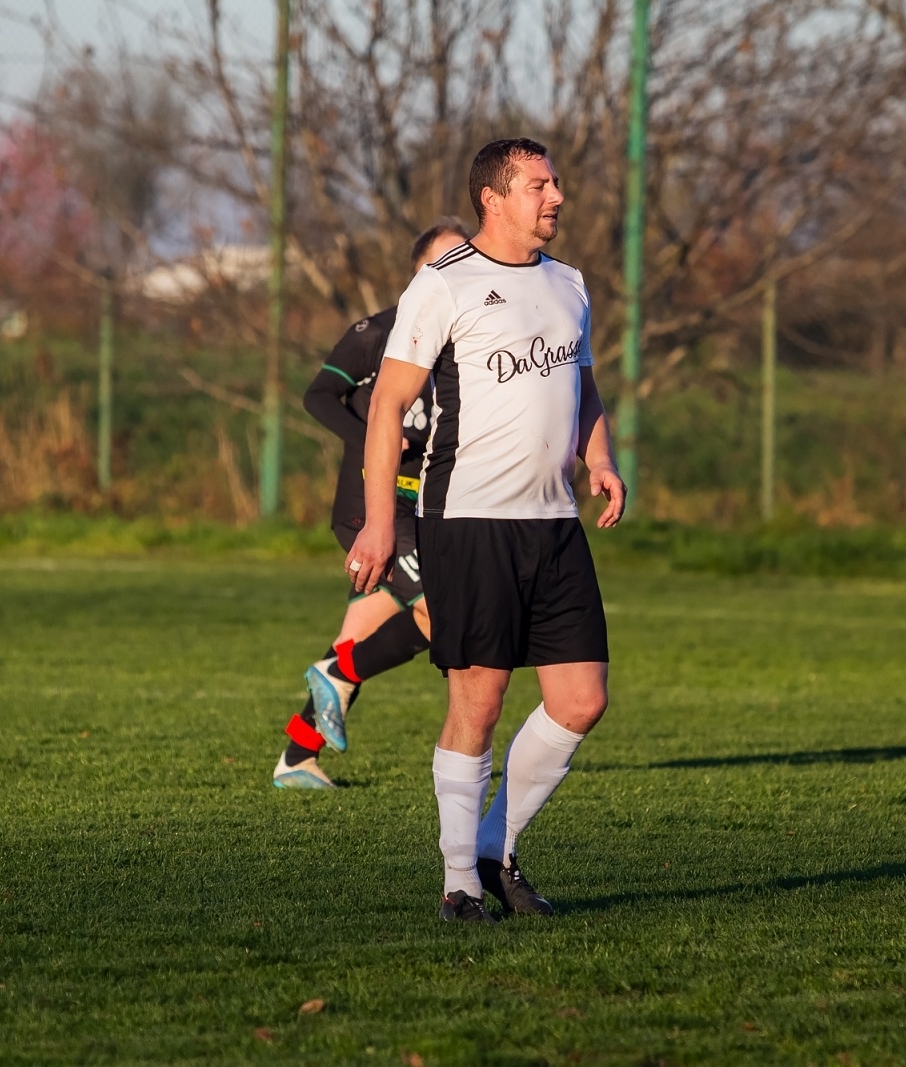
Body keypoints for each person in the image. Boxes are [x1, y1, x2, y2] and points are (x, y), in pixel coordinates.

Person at [345, 137, 627, 923]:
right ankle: (459, 880)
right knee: (480, 701)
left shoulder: (569, 284)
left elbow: (584, 382)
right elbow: (387, 407)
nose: (557, 196)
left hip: (554, 523)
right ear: (492, 198)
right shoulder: (443, 285)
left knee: (581, 698)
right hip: (466, 520)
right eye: (539, 184)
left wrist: (599, 457)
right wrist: (376, 523)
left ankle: (494, 848)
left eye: (557, 182)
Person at [271, 218, 472, 789]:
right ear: (419, 274)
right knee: (444, 613)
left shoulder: (467, 341)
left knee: (353, 641)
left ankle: (296, 758)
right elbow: (318, 395)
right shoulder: (377, 333)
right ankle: (336, 676)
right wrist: (377, 437)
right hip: (371, 508)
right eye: (447, 261)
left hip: (424, 509)